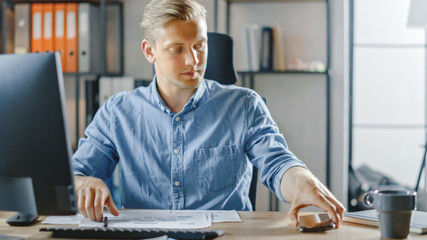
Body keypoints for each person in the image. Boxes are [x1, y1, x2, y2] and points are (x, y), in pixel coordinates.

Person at [72, 0, 345, 228]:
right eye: (177, 49)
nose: (193, 60)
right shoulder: (118, 112)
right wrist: (84, 183)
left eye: (200, 45)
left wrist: (301, 180)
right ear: (149, 51)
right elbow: (75, 174)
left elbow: (278, 163)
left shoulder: (244, 105)